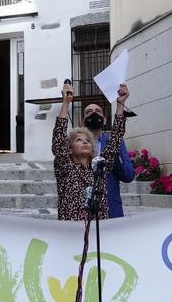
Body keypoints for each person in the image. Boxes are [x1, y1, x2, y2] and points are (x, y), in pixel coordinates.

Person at [52, 81, 129, 221]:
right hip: (71, 233)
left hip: (99, 234)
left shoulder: (100, 170)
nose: (85, 142)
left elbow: (116, 138)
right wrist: (65, 102)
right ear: (69, 149)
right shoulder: (65, 169)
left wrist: (120, 104)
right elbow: (58, 140)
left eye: (87, 140)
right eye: (79, 140)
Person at [82, 102, 136, 217]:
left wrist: (113, 154)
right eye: (89, 112)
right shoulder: (76, 145)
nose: (94, 114)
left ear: (105, 120)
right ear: (81, 122)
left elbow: (128, 175)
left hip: (111, 211)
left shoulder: (116, 142)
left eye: (98, 111)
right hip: (83, 213)